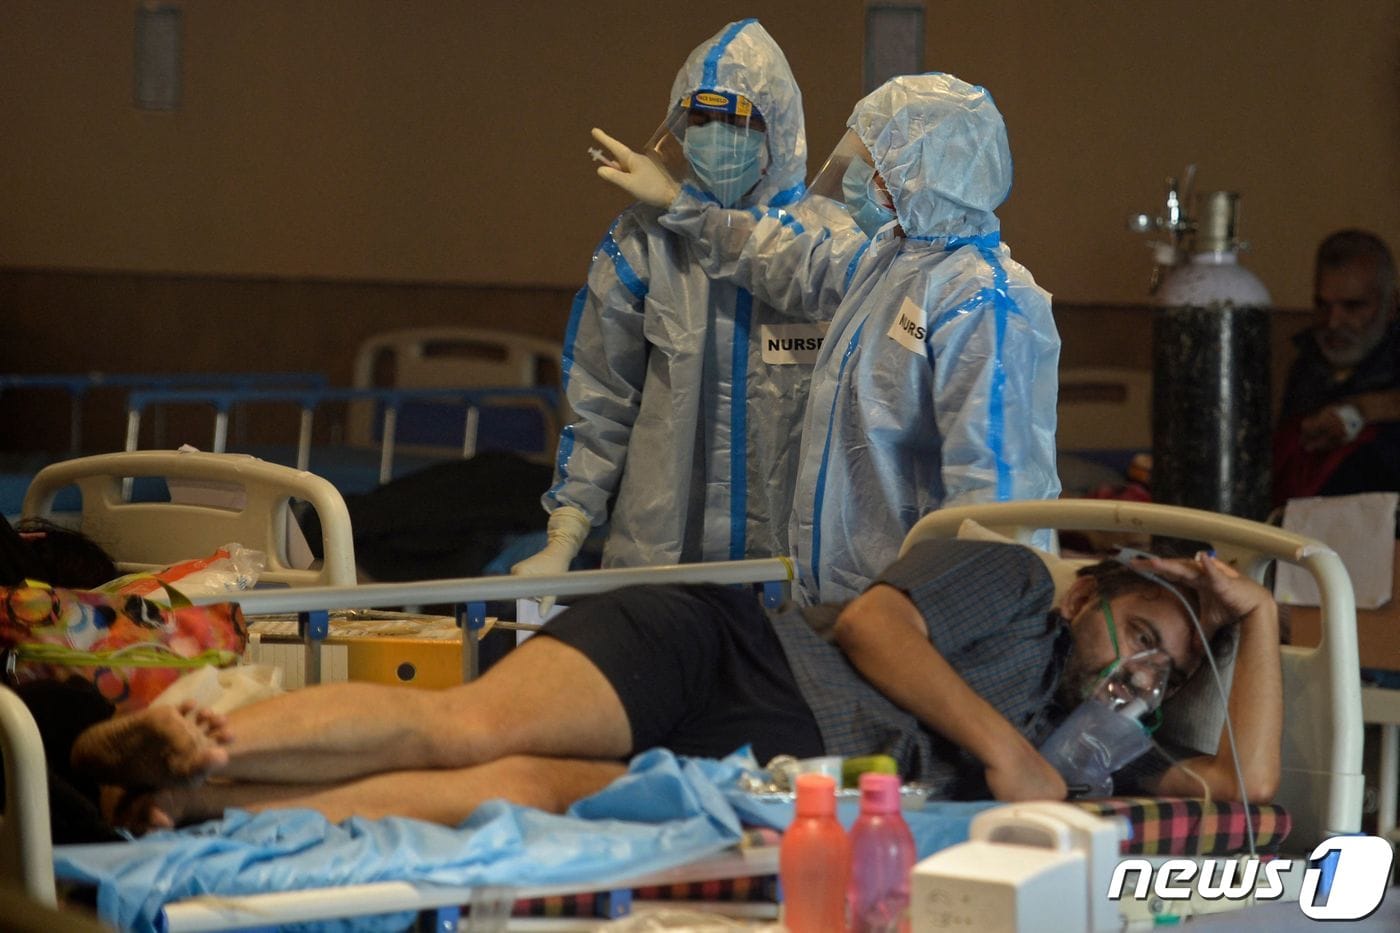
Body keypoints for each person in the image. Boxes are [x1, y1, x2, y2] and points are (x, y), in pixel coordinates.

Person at [93, 539, 1280, 832]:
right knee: (463, 729)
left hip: (747, 776)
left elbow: (1242, 796)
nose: (1135, 670)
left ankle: (199, 804)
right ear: (1091, 596)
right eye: (1135, 630)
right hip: (722, 654)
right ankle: (203, 735)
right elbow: (872, 624)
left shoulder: (1086, 735)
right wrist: (1005, 754)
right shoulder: (1018, 582)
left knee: (507, 792)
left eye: (1161, 670)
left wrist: (1260, 623)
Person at [592, 72, 1061, 604]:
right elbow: (789, 259)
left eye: (871, 162)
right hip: (850, 600)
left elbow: (995, 498)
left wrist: (950, 628)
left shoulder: (987, 304)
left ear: (916, 174)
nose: (854, 176)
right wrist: (682, 204)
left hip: (919, 614)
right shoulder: (891, 260)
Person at [512, 19, 853, 581]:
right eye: (700, 118)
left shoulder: (828, 243)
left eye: (735, 120)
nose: (715, 136)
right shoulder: (646, 241)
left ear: (779, 127)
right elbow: (603, 397)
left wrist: (682, 206)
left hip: (799, 571)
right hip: (663, 557)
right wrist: (565, 533)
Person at [1274, 229, 1400, 506]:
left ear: (1391, 306)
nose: (1333, 322)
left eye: (1353, 306)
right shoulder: (1304, 362)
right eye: (1323, 305)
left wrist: (1360, 412)